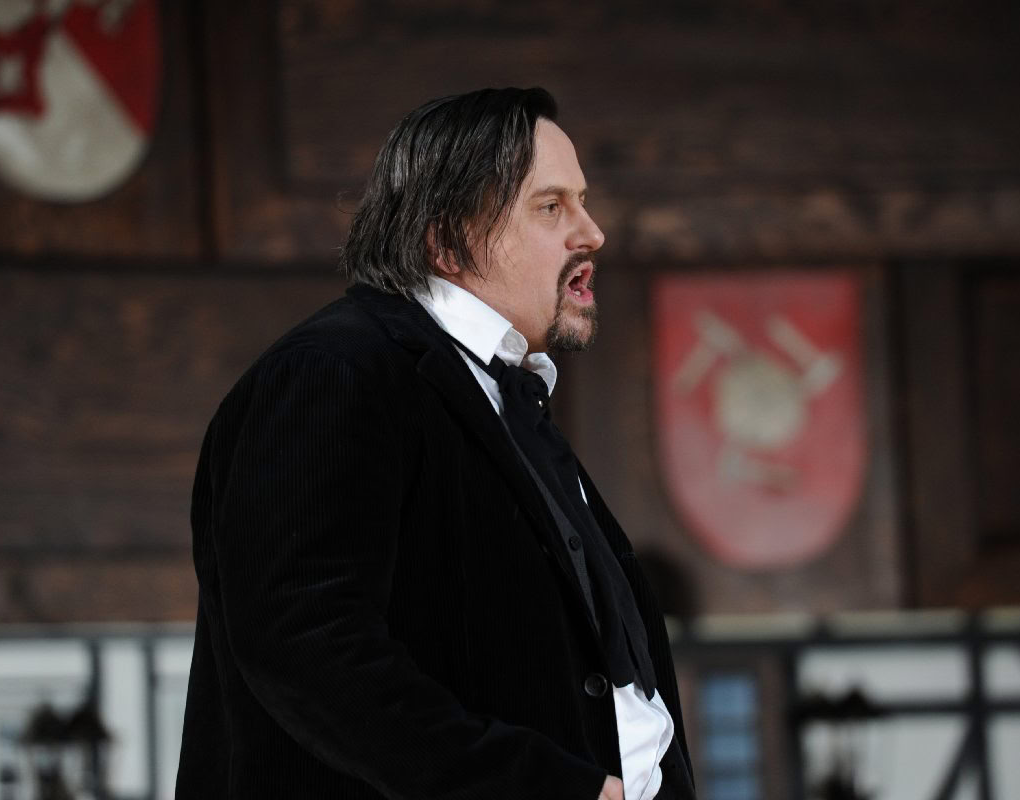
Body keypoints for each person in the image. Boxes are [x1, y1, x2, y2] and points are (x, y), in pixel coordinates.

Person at [175, 87, 695, 800]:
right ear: (447, 243)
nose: (592, 233)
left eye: (582, 201)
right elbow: (304, 642)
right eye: (551, 207)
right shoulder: (330, 372)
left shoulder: (505, 393)